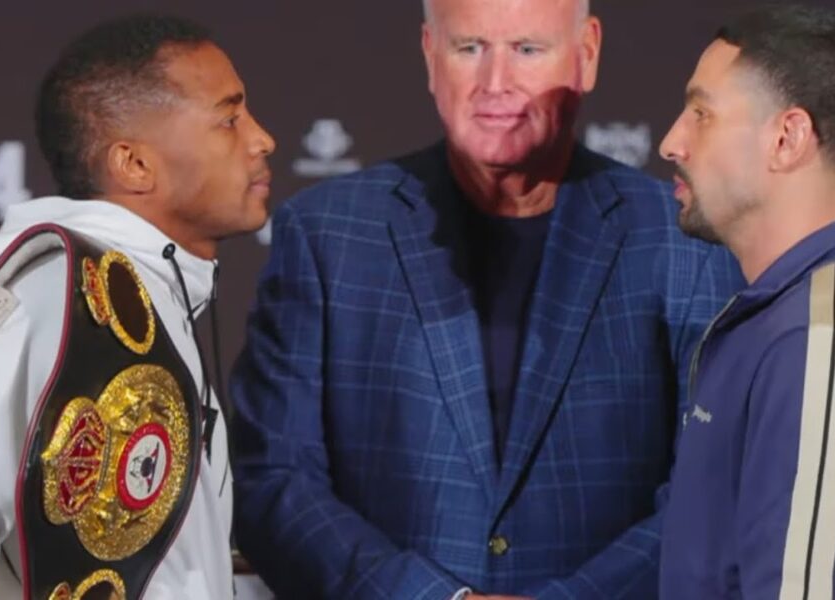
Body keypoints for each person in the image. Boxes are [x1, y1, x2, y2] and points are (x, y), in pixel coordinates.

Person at [231, 0, 741, 598]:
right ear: (429, 54)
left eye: (527, 50)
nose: (494, 83)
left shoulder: (683, 242)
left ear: (588, 54)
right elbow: (274, 478)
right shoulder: (327, 234)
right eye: (468, 48)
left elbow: (710, 490)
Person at [0, 14, 274, 599]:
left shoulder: (146, 293)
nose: (261, 138)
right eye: (228, 118)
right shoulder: (55, 297)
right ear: (135, 164)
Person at [656, 5, 835, 599]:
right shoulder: (781, 324)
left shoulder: (822, 343)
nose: (671, 142)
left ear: (787, 138)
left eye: (702, 113)